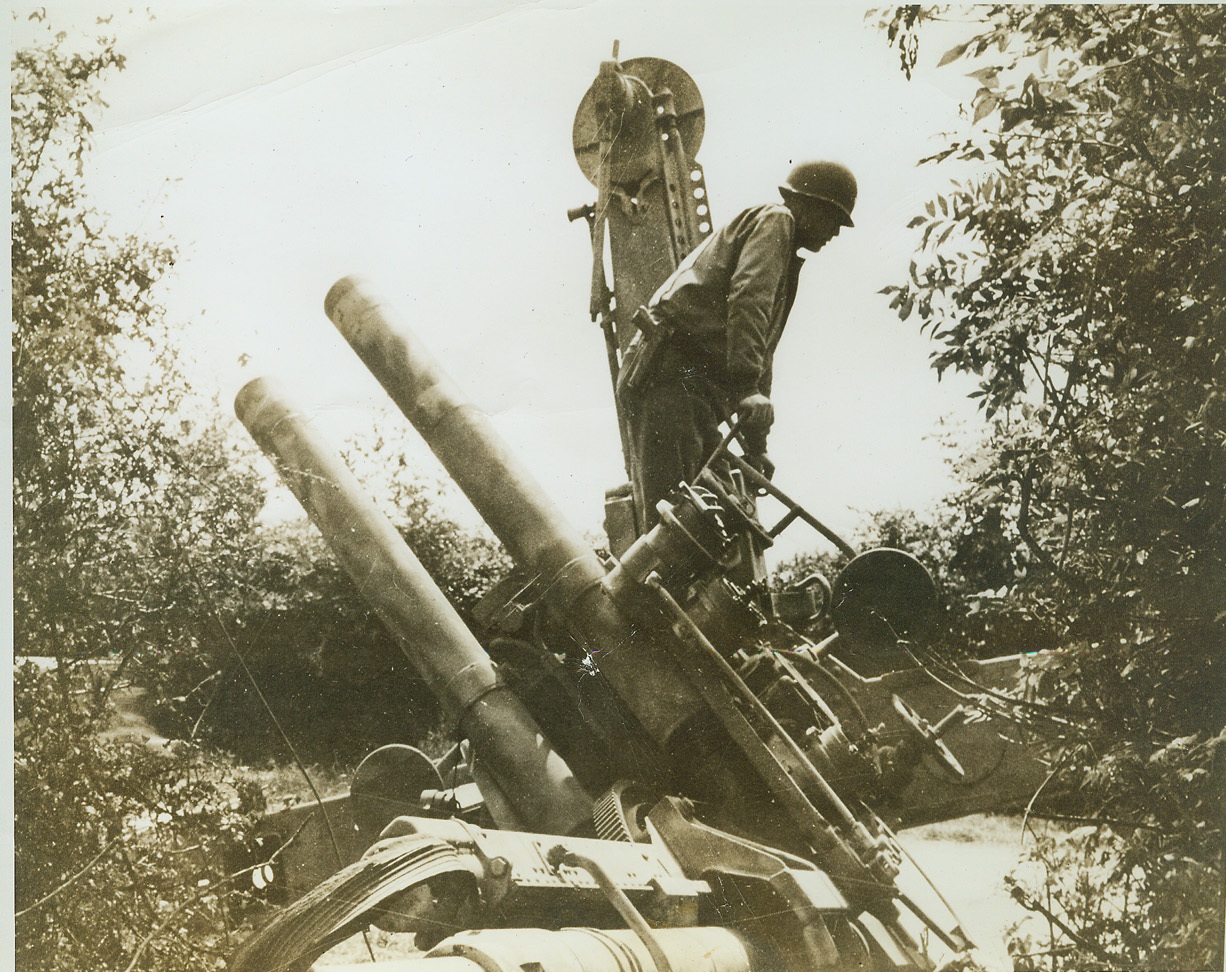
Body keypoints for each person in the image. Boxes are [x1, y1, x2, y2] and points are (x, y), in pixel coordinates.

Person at [621, 160, 857, 525]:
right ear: (809, 204)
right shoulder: (777, 220)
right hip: (671, 378)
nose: (835, 233)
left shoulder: (782, 244)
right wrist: (747, 388)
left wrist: (757, 445)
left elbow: (761, 349)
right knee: (670, 525)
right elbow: (749, 301)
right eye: (834, 220)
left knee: (703, 523)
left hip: (688, 389)